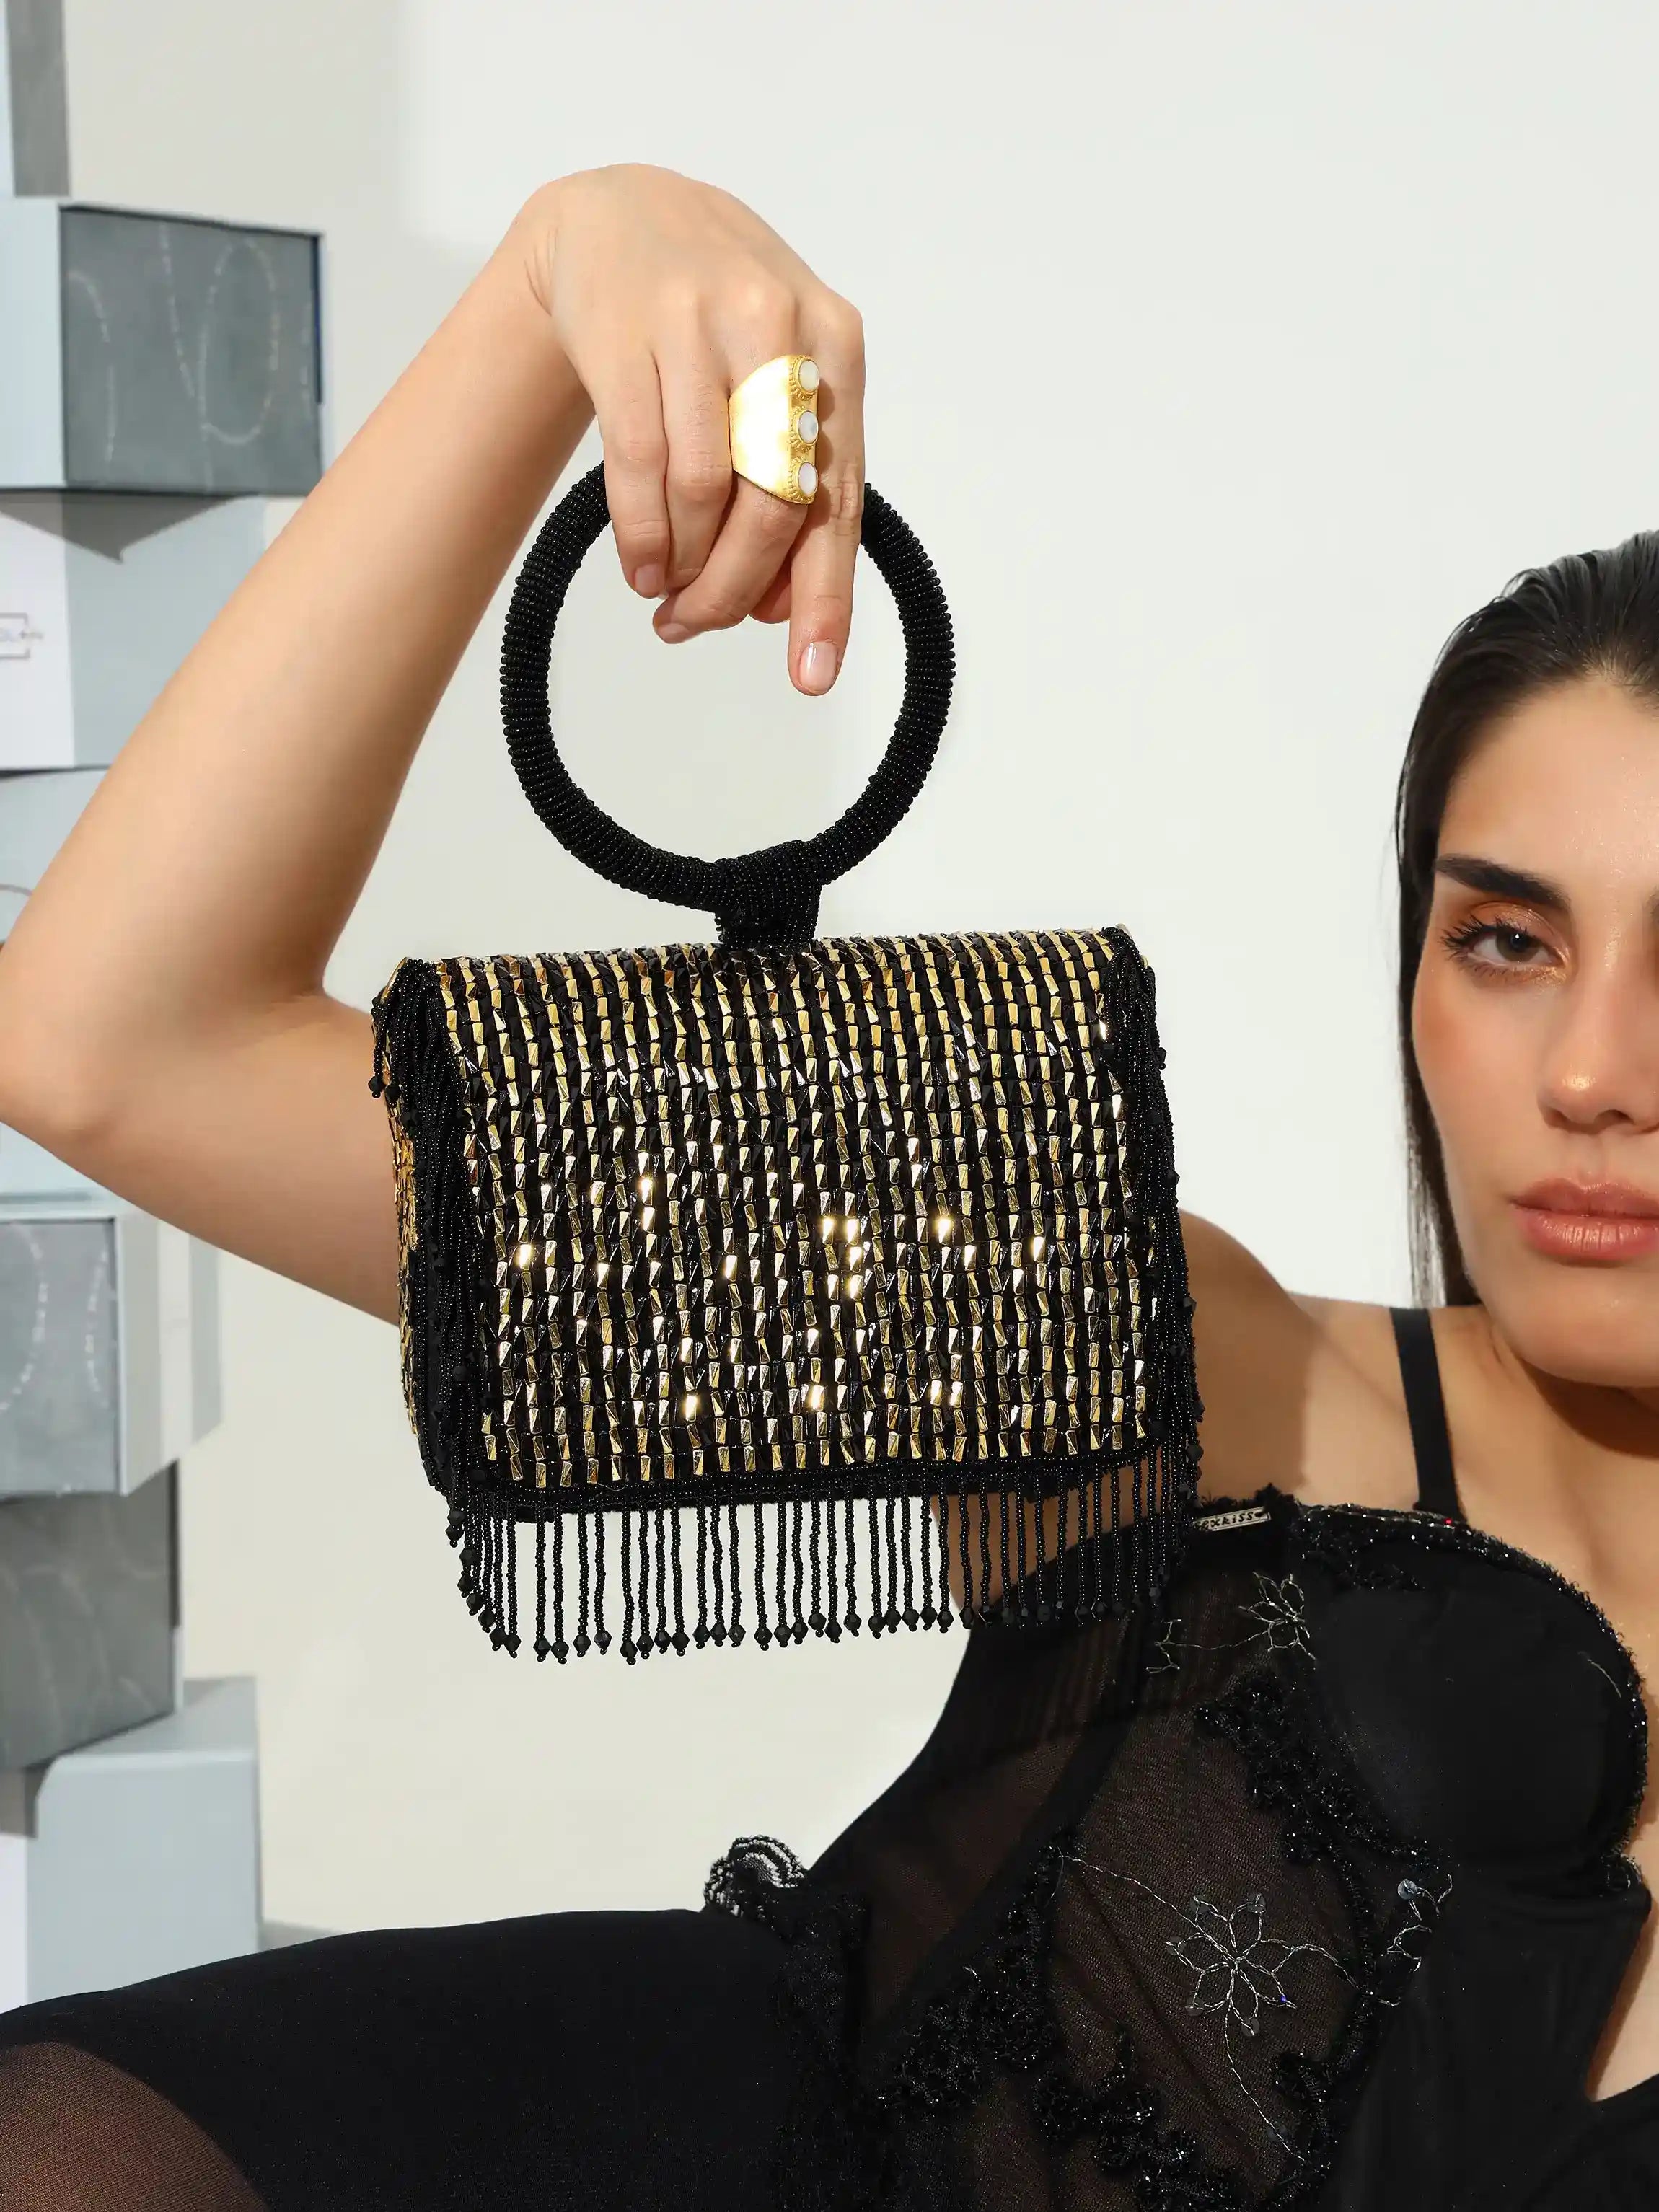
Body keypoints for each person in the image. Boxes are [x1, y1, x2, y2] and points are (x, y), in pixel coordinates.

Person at [0, 162, 1653, 2211]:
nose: (1591, 1075)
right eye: (1504, 939)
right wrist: (557, 278)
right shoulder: (1171, 1357)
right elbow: (117, 1043)